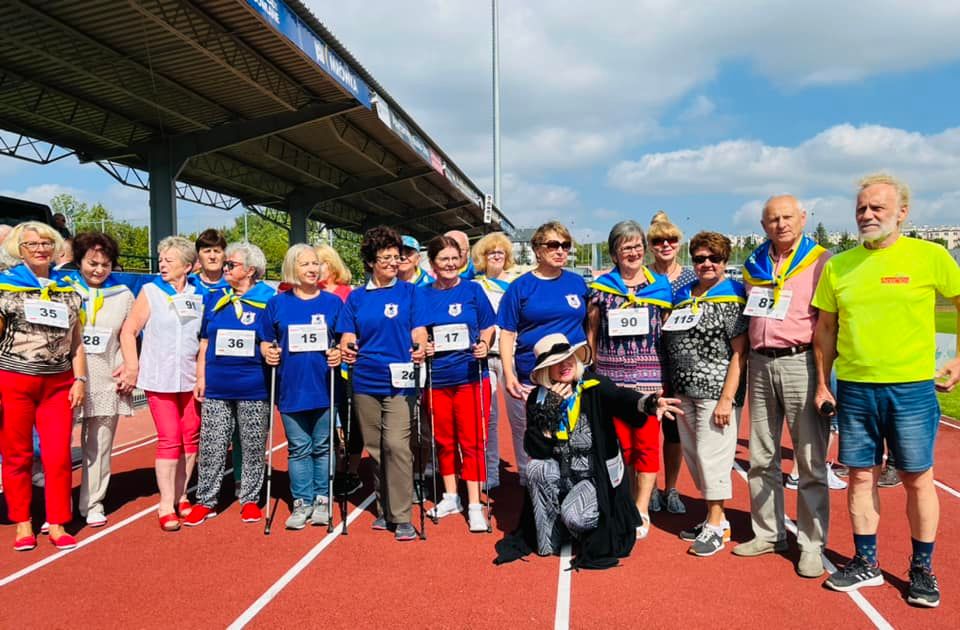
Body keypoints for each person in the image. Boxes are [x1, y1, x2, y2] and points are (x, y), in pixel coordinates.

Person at [814, 173, 960, 607]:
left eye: (877, 207)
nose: (867, 214)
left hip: (911, 388)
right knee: (860, 476)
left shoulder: (929, 256)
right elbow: (825, 329)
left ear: (902, 212)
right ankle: (866, 562)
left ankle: (922, 568)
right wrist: (823, 383)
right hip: (856, 389)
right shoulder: (839, 265)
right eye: (861, 208)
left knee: (917, 479)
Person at [494, 333, 682, 569]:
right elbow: (534, 448)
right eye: (555, 363)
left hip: (593, 478)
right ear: (546, 371)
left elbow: (621, 398)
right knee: (536, 469)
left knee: (575, 516)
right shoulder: (537, 399)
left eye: (567, 358)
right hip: (559, 472)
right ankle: (550, 538)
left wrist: (648, 403)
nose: (564, 366)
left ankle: (571, 524)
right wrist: (550, 413)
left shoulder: (594, 386)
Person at [730, 195, 832, 576]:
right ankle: (769, 532)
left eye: (787, 216)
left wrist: (824, 377)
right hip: (759, 362)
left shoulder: (821, 261)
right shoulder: (754, 264)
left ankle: (811, 542)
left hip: (801, 361)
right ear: (763, 224)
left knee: (808, 459)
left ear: (803, 218)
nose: (781, 224)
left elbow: (828, 322)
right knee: (761, 454)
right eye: (773, 218)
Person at [661, 231, 748, 557]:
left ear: (725, 261)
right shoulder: (683, 293)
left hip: (714, 392)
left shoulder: (732, 296)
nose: (707, 264)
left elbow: (740, 353)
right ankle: (718, 518)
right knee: (696, 458)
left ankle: (715, 523)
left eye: (714, 258)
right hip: (684, 391)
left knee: (713, 458)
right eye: (700, 258)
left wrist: (728, 398)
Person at [0, 221, 86, 551]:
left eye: (46, 243)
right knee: (17, 454)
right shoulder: (5, 287)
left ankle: (58, 521)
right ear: (19, 250)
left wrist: (79, 378)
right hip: (14, 380)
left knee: (58, 456)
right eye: (32, 244)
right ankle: (23, 522)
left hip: (58, 383)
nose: (40, 249)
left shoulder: (68, 289)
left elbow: (76, 341)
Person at [337, 226, 426, 542]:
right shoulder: (357, 298)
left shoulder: (410, 292)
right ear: (371, 262)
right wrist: (347, 344)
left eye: (396, 256)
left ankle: (402, 516)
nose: (393, 262)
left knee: (397, 446)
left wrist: (420, 345)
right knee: (375, 448)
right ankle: (385, 507)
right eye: (385, 257)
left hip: (401, 381)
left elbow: (419, 330)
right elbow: (347, 334)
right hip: (365, 379)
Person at [587, 220, 673, 540]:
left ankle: (641, 507)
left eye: (637, 246)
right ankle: (618, 501)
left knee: (646, 447)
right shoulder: (601, 289)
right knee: (617, 447)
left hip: (650, 380)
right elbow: (592, 332)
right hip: (612, 380)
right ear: (614, 253)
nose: (633, 252)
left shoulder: (660, 287)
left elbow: (666, 333)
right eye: (626, 247)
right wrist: (592, 370)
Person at [184, 242, 276, 526]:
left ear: (250, 270)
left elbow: (273, 339)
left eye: (231, 265)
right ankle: (206, 500)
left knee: (252, 445)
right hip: (218, 386)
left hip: (254, 386)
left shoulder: (269, 299)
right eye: (226, 265)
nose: (225, 269)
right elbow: (204, 341)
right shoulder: (217, 298)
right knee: (212, 444)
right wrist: (201, 377)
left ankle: (249, 499)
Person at [119, 236, 202, 532]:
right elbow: (129, 332)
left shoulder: (199, 294)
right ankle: (166, 503)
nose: (163, 264)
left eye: (170, 260)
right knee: (170, 436)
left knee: (190, 435)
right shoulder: (150, 291)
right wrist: (132, 365)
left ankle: (182, 494)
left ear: (188, 266)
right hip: (160, 378)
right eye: (161, 259)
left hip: (191, 379)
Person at [413, 236, 496, 532]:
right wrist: (425, 345)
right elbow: (419, 330)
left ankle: (474, 504)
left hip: (471, 378)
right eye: (442, 259)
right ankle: (451, 496)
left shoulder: (473, 290)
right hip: (438, 379)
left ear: (461, 261)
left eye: (453, 259)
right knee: (444, 441)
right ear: (433, 264)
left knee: (472, 442)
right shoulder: (421, 294)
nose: (449, 264)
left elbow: (488, 326)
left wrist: (485, 344)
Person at [260, 244, 342, 529]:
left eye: (315, 264)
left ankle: (322, 499)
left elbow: (344, 339)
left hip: (324, 386)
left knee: (322, 446)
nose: (311, 269)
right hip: (291, 388)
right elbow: (265, 338)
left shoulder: (333, 303)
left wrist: (339, 353)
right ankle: (301, 501)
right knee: (298, 448)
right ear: (292, 268)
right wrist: (266, 351)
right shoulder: (278, 303)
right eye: (305, 264)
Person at [499, 221, 587, 486]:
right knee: (535, 435)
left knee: (575, 433)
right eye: (553, 245)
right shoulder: (521, 287)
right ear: (537, 250)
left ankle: (574, 485)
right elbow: (507, 333)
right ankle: (534, 487)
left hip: (573, 375)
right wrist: (509, 373)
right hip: (533, 376)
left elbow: (590, 324)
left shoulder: (577, 283)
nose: (560, 251)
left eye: (565, 245)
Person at [65, 232, 135, 528]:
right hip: (67, 379)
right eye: (92, 263)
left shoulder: (123, 296)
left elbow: (126, 337)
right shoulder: (63, 290)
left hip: (106, 378)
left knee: (99, 445)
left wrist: (127, 368)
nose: (98, 270)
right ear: (79, 261)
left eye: (105, 264)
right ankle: (59, 505)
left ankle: (93, 502)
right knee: (57, 445)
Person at [646, 211, 695, 515]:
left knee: (674, 431)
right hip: (649, 362)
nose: (666, 244)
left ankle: (672, 487)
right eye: (658, 240)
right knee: (648, 428)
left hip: (681, 364)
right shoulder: (643, 277)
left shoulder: (692, 277)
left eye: (671, 239)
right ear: (650, 245)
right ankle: (649, 487)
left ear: (679, 243)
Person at [314, 242, 362, 497]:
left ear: (331, 265)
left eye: (318, 262)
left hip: (345, 367)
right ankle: (330, 464)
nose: (314, 268)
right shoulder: (308, 293)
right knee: (325, 418)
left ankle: (351, 470)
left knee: (352, 418)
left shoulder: (346, 294)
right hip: (318, 367)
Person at [471, 231, 516, 491]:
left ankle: (525, 470)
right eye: (491, 252)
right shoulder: (476, 286)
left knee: (520, 415)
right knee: (488, 417)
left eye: (501, 252)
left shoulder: (516, 284)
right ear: (483, 257)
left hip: (510, 355)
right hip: (485, 356)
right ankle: (491, 472)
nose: (496, 256)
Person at [191, 229, 229, 295]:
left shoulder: (233, 284)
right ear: (198, 256)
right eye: (207, 251)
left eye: (217, 251)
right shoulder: (189, 283)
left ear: (225, 256)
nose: (212, 257)